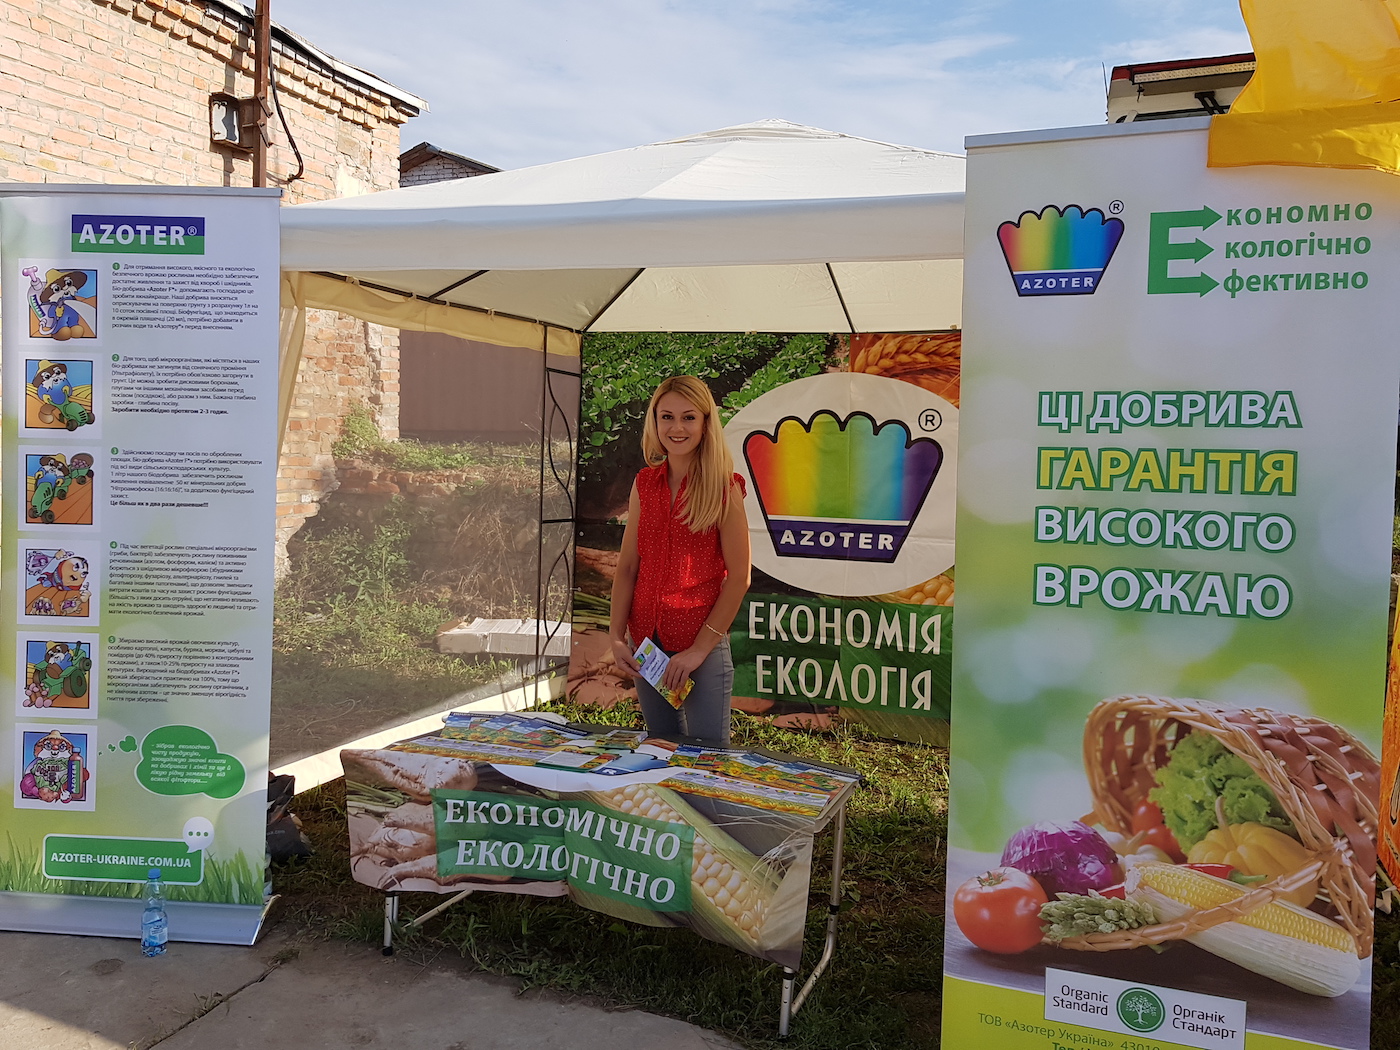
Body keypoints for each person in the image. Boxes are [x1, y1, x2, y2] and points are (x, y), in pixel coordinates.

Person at [609, 376, 751, 745]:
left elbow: (739, 578)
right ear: (654, 422)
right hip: (648, 645)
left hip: (700, 645)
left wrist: (698, 651)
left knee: (707, 755)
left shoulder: (725, 487)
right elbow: (628, 567)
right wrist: (617, 637)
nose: (677, 428)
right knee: (660, 745)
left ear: (705, 424)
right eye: (667, 417)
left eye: (689, 417)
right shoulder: (645, 484)